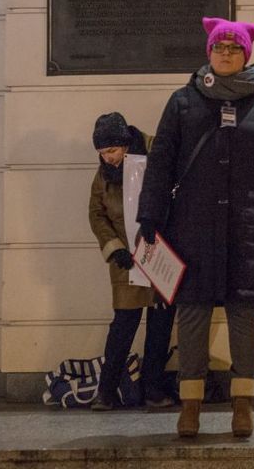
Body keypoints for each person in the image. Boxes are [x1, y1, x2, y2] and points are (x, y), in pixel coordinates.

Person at [136, 17, 254, 439]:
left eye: (234, 48)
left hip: (248, 227)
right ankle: (190, 405)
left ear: (246, 55)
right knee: (192, 313)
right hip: (192, 225)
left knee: (244, 313)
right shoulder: (182, 102)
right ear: (208, 53)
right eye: (219, 48)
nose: (226, 54)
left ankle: (242, 404)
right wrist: (150, 214)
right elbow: (161, 162)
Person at [87, 112, 177, 410]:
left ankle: (153, 388)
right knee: (124, 324)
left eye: (112, 150)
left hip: (160, 253)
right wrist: (114, 249)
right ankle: (106, 391)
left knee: (160, 324)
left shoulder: (157, 153)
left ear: (126, 144)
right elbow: (96, 213)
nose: (108, 158)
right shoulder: (104, 174)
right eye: (102, 153)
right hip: (126, 259)